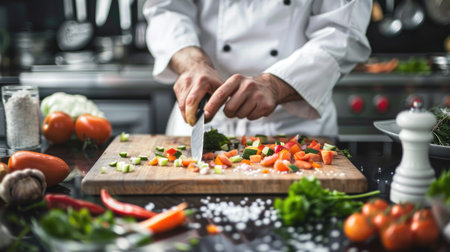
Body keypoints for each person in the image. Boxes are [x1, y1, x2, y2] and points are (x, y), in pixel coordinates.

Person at [143, 0, 372, 137]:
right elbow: (167, 9)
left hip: (294, 128)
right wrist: (193, 64)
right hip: (201, 115)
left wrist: (275, 85)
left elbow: (343, 32)